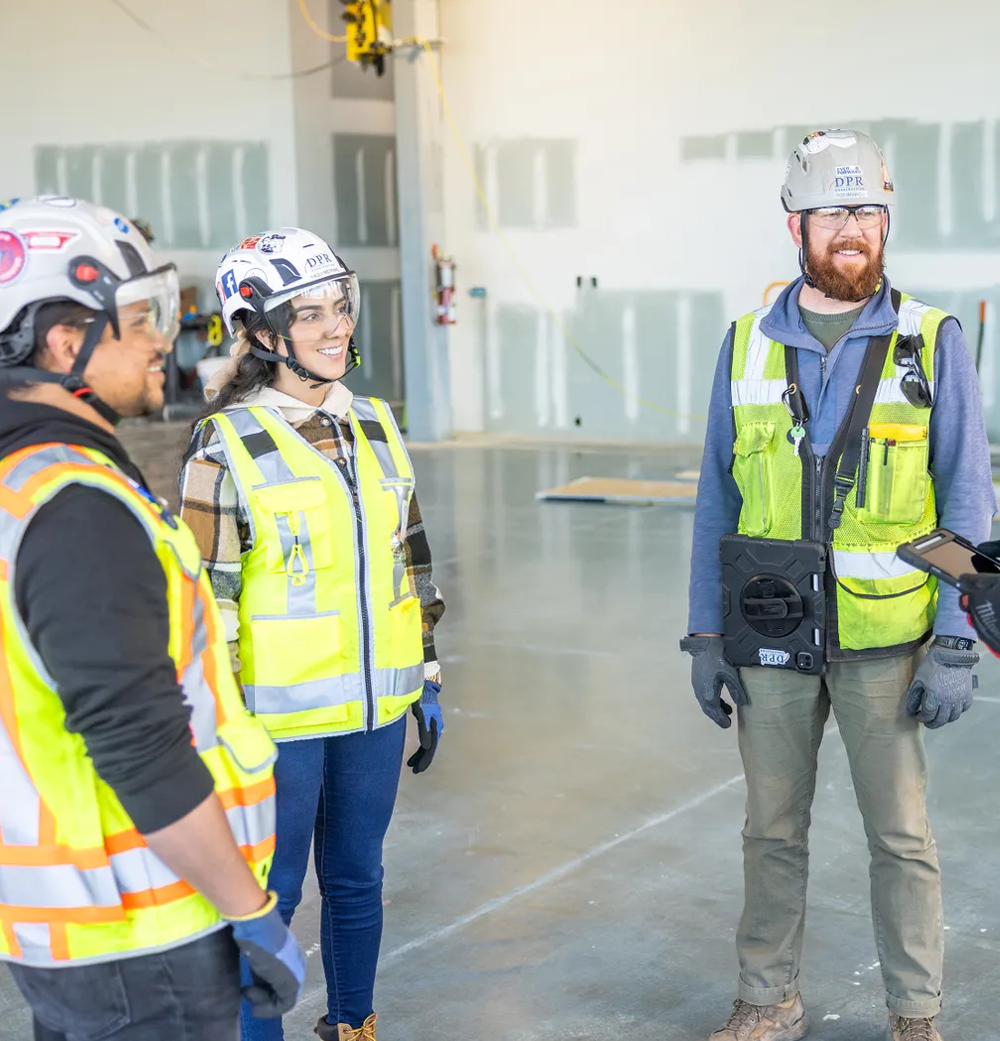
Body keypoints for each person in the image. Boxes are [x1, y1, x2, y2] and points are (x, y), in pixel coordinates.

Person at [681, 131, 996, 1041]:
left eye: (867, 211)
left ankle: (915, 1013)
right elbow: (716, 497)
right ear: (797, 226)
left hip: (885, 642)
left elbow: (967, 495)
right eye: (833, 213)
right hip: (770, 631)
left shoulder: (931, 339)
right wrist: (706, 632)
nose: (852, 229)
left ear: (886, 221)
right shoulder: (745, 344)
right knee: (770, 830)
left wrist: (956, 637)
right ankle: (767, 997)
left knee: (901, 837)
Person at [0, 197, 306, 1040]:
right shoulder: (75, 506)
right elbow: (137, 741)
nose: (164, 340)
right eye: (140, 320)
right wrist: (250, 909)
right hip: (144, 933)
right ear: (64, 341)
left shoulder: (21, 483)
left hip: (72, 929)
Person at [178, 228, 446, 1041]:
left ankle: (354, 1025)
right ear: (262, 333)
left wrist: (427, 671)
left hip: (374, 712)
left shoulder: (377, 423)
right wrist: (215, 729)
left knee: (359, 878)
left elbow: (411, 561)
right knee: (270, 897)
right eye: (311, 314)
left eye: (341, 306)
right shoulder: (224, 444)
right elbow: (204, 604)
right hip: (275, 726)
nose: (337, 327)